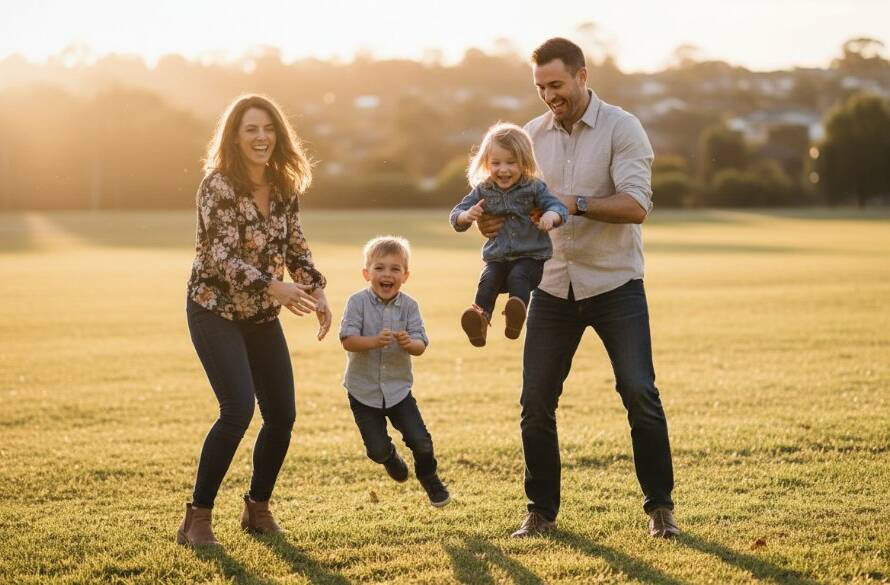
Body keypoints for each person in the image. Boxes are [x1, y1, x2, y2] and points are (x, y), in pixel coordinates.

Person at [477, 38, 678, 538]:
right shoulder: (529, 136)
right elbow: (508, 201)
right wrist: (491, 225)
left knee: (639, 393)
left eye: (557, 85)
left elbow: (636, 206)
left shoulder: (622, 128)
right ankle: (540, 513)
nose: (549, 95)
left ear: (583, 76)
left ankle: (660, 509)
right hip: (549, 285)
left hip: (615, 284)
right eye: (541, 87)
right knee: (535, 402)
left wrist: (573, 201)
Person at [177, 94, 332, 546]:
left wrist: (314, 287)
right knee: (237, 410)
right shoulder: (218, 186)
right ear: (235, 136)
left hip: (261, 315)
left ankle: (257, 509)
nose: (261, 137)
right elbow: (222, 256)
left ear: (278, 135)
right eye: (251, 129)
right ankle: (197, 519)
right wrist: (275, 287)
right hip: (214, 309)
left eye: (268, 129)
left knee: (282, 414)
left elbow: (295, 247)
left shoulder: (284, 186)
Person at [338, 236, 450, 507]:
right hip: (363, 392)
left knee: (420, 440)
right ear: (367, 273)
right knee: (375, 450)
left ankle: (429, 476)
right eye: (379, 268)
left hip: (399, 391)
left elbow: (421, 344)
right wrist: (373, 341)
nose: (386, 274)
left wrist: (409, 343)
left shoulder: (410, 306)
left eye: (394, 269)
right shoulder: (356, 303)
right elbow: (347, 339)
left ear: (405, 276)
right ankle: (389, 456)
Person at [449, 123, 568, 347]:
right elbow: (456, 214)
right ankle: (480, 319)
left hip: (530, 258)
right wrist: (467, 216)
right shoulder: (483, 190)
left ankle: (516, 314)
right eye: (496, 163)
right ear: (486, 163)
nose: (503, 169)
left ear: (524, 162)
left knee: (518, 276)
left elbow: (557, 207)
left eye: (511, 163)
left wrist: (550, 217)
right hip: (497, 258)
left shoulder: (534, 188)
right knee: (487, 280)